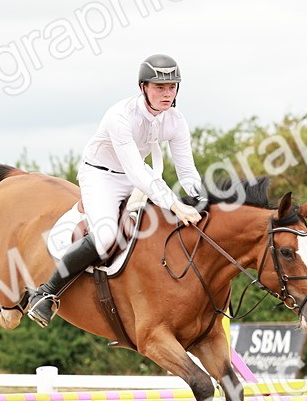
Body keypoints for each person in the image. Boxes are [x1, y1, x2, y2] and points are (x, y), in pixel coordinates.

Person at [27, 54, 204, 327]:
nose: (167, 93)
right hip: (101, 177)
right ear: (143, 87)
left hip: (138, 178)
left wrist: (200, 198)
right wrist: (174, 204)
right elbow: (136, 171)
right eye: (159, 87)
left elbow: (187, 171)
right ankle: (46, 292)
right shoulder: (120, 116)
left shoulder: (176, 120)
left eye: (172, 87)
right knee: (107, 236)